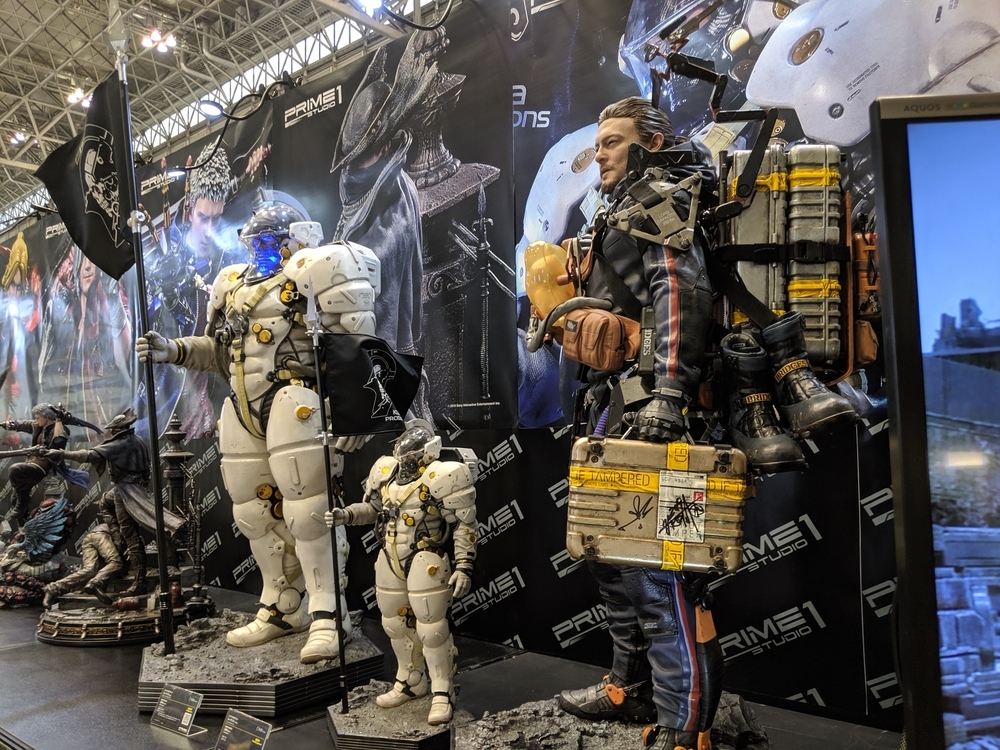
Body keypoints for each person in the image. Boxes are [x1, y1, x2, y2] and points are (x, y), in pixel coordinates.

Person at [136, 203, 380, 664]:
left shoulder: (318, 271)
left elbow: (357, 346)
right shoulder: (231, 285)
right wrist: (173, 349)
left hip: (295, 403)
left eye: (270, 240)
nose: (261, 249)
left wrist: (355, 417)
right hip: (244, 410)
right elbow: (218, 351)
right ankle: (281, 606)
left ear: (294, 237)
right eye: (255, 241)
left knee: (310, 513)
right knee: (253, 514)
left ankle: (329, 614)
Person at [553, 98, 719, 750]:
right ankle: (629, 688)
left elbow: (681, 292)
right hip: (617, 408)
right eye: (598, 143)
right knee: (613, 560)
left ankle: (686, 728)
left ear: (648, 144)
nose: (599, 153)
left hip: (659, 414)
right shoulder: (619, 207)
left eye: (613, 142)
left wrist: (670, 394)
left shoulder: (660, 197)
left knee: (663, 574)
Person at [325, 422, 477, 725]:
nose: (406, 461)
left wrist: (464, 565)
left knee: (432, 629)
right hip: (390, 557)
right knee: (394, 624)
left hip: (425, 557)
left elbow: (464, 525)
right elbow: (373, 509)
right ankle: (410, 680)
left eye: (412, 455)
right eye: (403, 455)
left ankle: (442, 691)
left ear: (428, 452)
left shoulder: (445, 475)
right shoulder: (385, 472)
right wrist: (347, 515)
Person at [42, 408, 185, 597]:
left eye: (113, 430)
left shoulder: (121, 444)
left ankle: (139, 581)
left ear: (119, 429)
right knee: (104, 502)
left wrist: (62, 455)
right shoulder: (138, 441)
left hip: (126, 491)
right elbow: (146, 471)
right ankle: (118, 538)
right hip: (129, 487)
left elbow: (89, 455)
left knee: (131, 536)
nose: (111, 433)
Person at [1, 404, 69, 532]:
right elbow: (25, 424)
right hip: (31, 464)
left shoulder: (59, 429)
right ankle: (24, 528)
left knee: (15, 469)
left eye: (38, 418)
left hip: (45, 469)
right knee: (15, 499)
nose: (36, 420)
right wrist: (10, 424)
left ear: (47, 417)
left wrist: (59, 422)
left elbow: (58, 443)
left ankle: (24, 501)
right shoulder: (39, 426)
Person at [41, 523, 122, 608]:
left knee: (90, 569)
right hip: (103, 535)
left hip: (91, 536)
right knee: (116, 562)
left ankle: (53, 589)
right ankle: (95, 584)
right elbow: (118, 538)